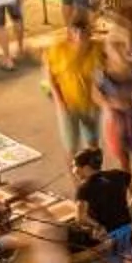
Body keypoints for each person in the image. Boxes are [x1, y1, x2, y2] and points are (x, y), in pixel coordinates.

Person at [46, 20, 105, 161]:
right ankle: (76, 179)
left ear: (90, 33)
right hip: (68, 105)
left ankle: (94, 177)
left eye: (84, 32)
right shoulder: (58, 49)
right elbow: (51, 78)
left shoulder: (98, 48)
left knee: (93, 143)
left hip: (91, 104)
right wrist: (59, 101)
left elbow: (109, 71)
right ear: (70, 33)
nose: (80, 36)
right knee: (71, 147)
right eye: (76, 32)